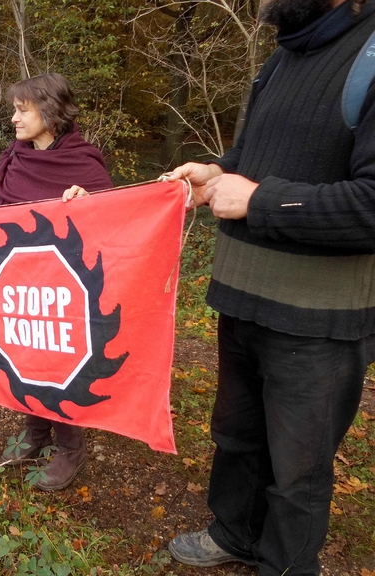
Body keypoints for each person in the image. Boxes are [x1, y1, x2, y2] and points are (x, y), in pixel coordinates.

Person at [165, 1, 375, 575]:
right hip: (241, 298)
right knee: (236, 436)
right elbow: (251, 158)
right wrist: (217, 172)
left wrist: (262, 200)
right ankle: (233, 533)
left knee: (299, 470)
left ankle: (284, 566)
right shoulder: (282, 58)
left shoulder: (370, 57)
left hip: (318, 321)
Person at [0, 73, 113, 491]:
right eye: (14, 110)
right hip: (17, 280)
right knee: (23, 354)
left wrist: (88, 205)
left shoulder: (82, 162)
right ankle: (35, 434)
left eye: (23, 110)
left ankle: (70, 446)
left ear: (50, 112)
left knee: (58, 359)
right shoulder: (16, 156)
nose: (14, 119)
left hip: (63, 288)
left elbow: (113, 219)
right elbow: (3, 204)